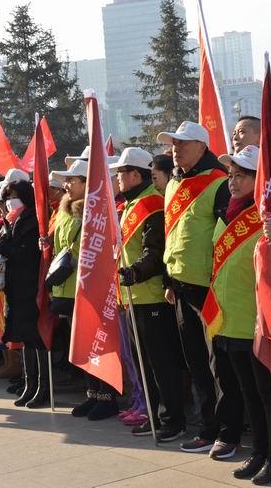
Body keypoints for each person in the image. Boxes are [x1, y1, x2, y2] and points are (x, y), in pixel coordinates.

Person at [210, 146, 271, 484]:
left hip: (262, 323)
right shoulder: (226, 214)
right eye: (231, 175)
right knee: (249, 395)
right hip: (231, 320)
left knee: (270, 397)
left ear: (259, 179)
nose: (232, 181)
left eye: (241, 175)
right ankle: (259, 452)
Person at [156, 121, 230, 455]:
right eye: (173, 144)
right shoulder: (175, 181)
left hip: (210, 287)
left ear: (201, 146)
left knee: (219, 365)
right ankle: (207, 425)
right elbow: (174, 234)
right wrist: (169, 280)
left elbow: (226, 235)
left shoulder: (219, 183)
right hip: (181, 285)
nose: (175, 148)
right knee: (196, 362)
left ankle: (227, 431)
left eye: (182, 143)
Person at [110, 147, 187, 442]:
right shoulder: (130, 204)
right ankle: (153, 415)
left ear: (135, 175)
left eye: (121, 174)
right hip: (132, 298)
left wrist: (135, 272)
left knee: (161, 364)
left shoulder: (152, 203)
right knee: (143, 363)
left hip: (151, 296)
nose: (118, 179)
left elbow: (154, 252)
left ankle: (172, 420)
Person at [46, 159, 118, 420]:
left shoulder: (96, 208)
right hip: (65, 288)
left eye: (72, 180)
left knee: (98, 344)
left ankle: (107, 397)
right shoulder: (64, 210)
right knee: (81, 346)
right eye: (66, 180)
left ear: (88, 183)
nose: (66, 184)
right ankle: (92, 394)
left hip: (88, 287)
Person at [0, 180, 49, 408]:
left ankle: (43, 387)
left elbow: (25, 254)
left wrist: (4, 245)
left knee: (36, 337)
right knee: (24, 338)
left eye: (14, 195)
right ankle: (29, 384)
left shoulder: (33, 220)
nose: (9, 201)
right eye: (7, 197)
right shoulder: (9, 220)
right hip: (14, 287)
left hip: (30, 286)